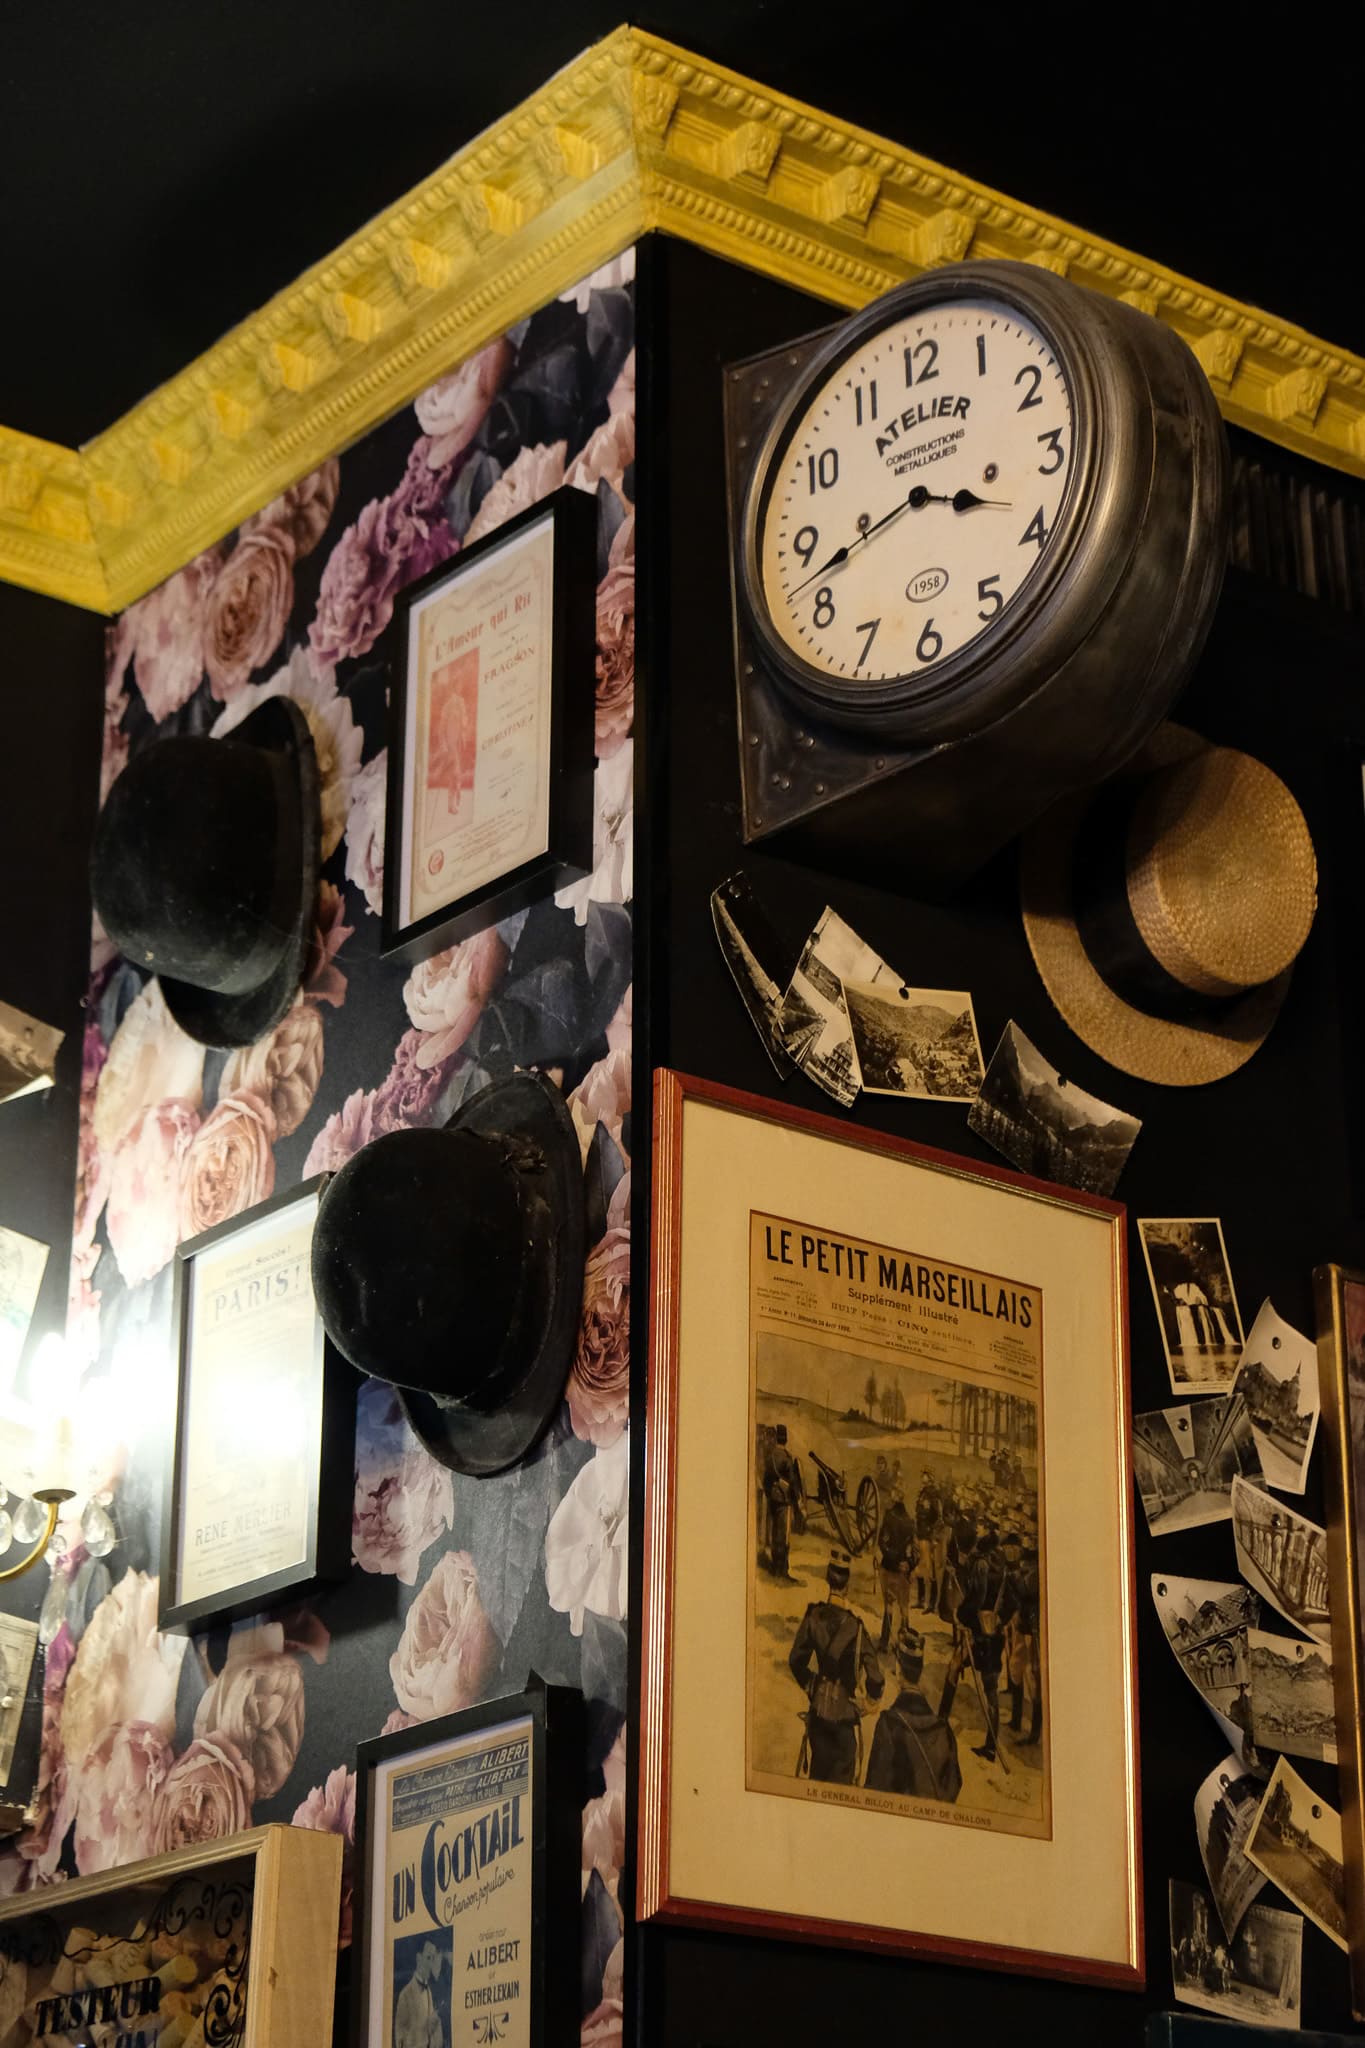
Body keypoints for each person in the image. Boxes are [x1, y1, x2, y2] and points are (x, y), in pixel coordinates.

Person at [789, 1550, 884, 1783]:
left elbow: (796, 1661)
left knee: (817, 1780)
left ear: (827, 1579)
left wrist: (813, 1686)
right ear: (847, 1586)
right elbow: (876, 1678)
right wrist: (869, 1703)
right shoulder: (857, 1627)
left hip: (818, 1717)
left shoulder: (813, 1616)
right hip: (844, 1721)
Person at [864, 1626, 962, 1803]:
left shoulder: (888, 1724)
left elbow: (874, 1789)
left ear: (898, 1669)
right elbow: (954, 1786)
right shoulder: (942, 1729)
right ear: (920, 1670)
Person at [876, 1490, 915, 1650]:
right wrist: (907, 1564)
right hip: (904, 1570)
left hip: (889, 1567)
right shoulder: (910, 1521)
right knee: (904, 1607)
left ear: (895, 1498)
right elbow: (913, 1550)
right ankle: (905, 1643)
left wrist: (892, 1558)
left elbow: (882, 1541)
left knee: (889, 1606)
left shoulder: (889, 1516)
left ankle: (884, 1642)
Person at [393, 1939, 445, 2048]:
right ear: (418, 1958)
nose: (431, 1964)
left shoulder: (429, 1991)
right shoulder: (405, 1995)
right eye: (428, 1958)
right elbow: (399, 2039)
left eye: (433, 1959)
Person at [762, 1423, 798, 1581]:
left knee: (774, 1532)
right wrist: (795, 1500)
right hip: (784, 1501)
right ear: (786, 1439)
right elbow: (793, 1482)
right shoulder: (787, 1458)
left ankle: (774, 1567)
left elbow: (766, 1480)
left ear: (777, 1438)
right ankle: (782, 1571)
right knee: (783, 1536)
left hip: (772, 1499)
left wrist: (770, 1494)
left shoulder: (770, 1456)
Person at [912, 1471, 941, 1612]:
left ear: (930, 1480)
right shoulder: (922, 1493)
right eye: (922, 1478)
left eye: (925, 1478)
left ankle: (932, 1604)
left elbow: (937, 1516)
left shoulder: (933, 1495)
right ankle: (921, 1599)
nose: (922, 1480)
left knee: (929, 1569)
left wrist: (931, 1530)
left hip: (927, 1535)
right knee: (920, 1564)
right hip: (920, 1532)